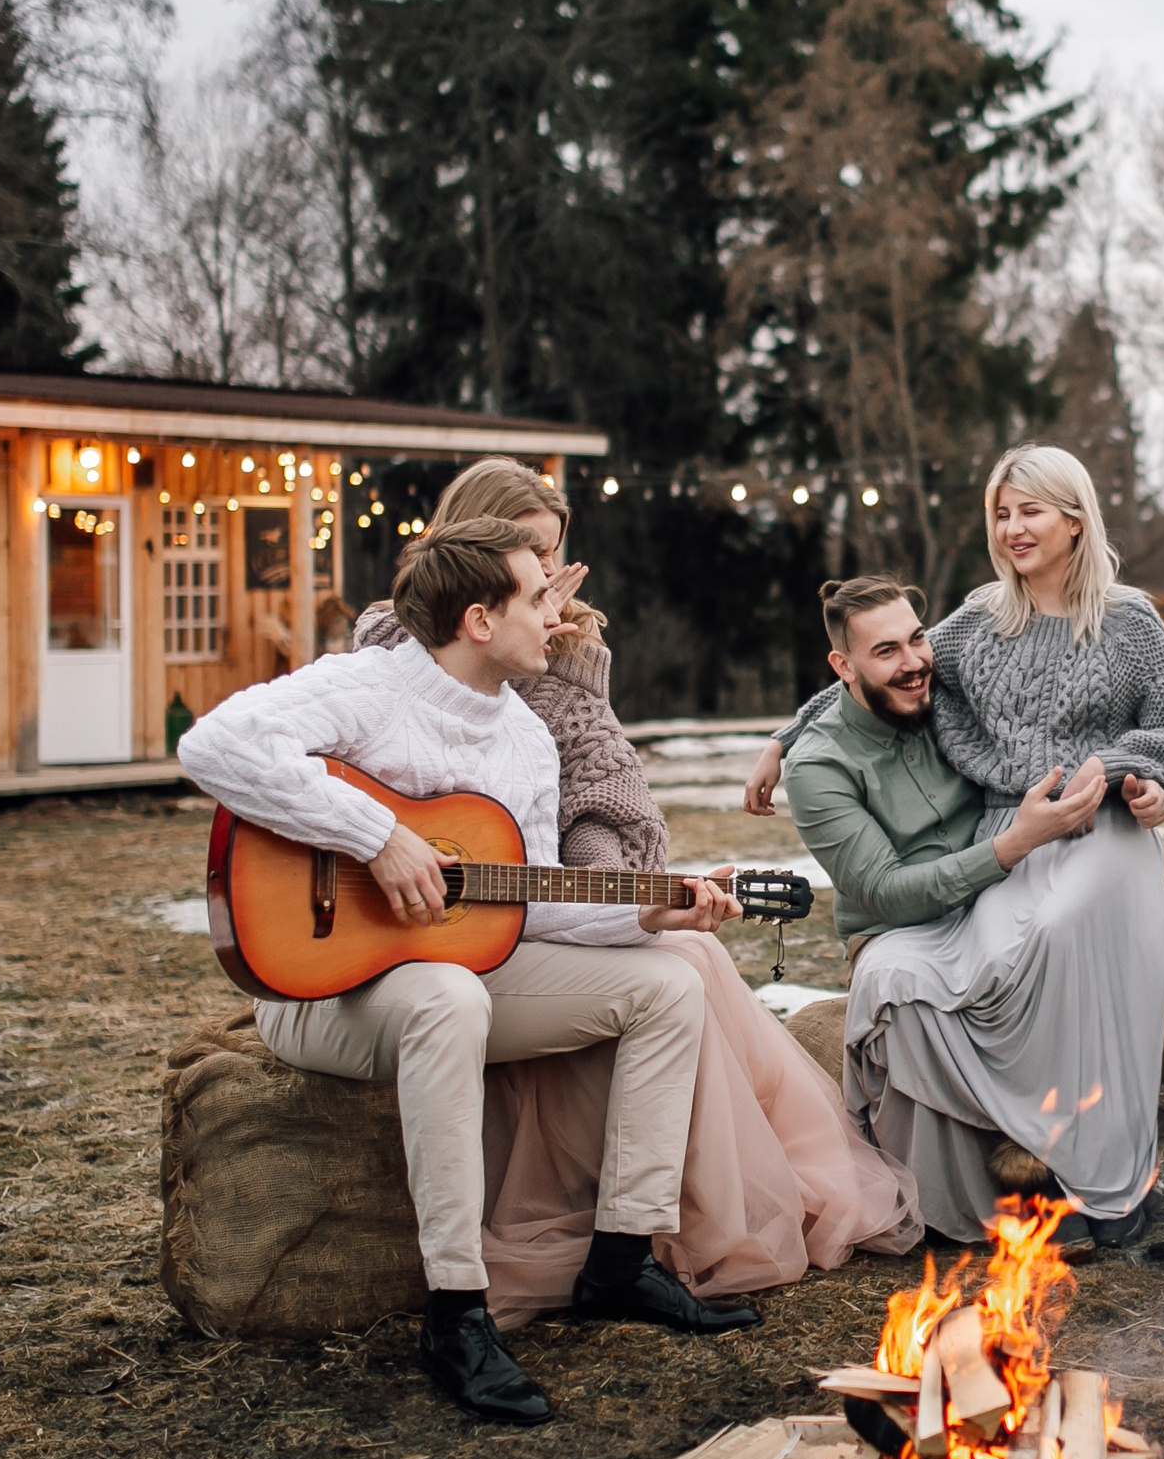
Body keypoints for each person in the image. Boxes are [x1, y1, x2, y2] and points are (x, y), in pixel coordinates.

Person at [179, 517, 750, 1430]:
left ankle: (621, 1256)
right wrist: (378, 836)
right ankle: (457, 1313)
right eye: (537, 598)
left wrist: (647, 907)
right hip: (315, 983)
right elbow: (214, 746)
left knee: (669, 979)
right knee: (448, 996)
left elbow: (524, 899)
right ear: (479, 619)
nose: (555, 620)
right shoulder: (366, 688)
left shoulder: (522, 736)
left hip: (445, 968)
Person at [351, 460, 920, 1320]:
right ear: (476, 565)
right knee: (671, 961)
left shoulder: (563, 656)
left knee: (683, 948)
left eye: (555, 560)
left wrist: (620, 883)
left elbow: (594, 795)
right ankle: (672, 1220)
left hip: (534, 897)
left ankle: (673, 1222)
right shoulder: (392, 648)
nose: (550, 583)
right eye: (529, 561)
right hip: (436, 931)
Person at [750, 451, 1164, 1263]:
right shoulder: (978, 619)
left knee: (1082, 923)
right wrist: (786, 735)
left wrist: (1138, 779)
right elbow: (878, 666)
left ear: (1075, 518)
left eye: (1031, 512)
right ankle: (1073, 1176)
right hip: (1012, 834)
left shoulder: (1130, 621)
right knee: (1024, 953)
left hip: (1104, 824)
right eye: (1002, 515)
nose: (1012, 530)